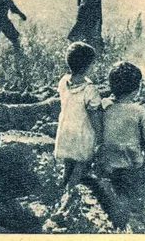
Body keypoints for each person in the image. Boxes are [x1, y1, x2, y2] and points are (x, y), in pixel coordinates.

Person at [98, 61, 145, 197]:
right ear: (136, 89)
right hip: (131, 167)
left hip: (107, 166)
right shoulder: (139, 111)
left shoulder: (104, 107)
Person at [54, 42, 103, 189]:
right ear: (86, 67)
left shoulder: (63, 81)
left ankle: (63, 186)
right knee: (81, 163)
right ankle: (70, 192)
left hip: (66, 129)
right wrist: (99, 133)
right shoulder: (90, 90)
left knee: (68, 162)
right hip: (82, 132)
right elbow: (93, 115)